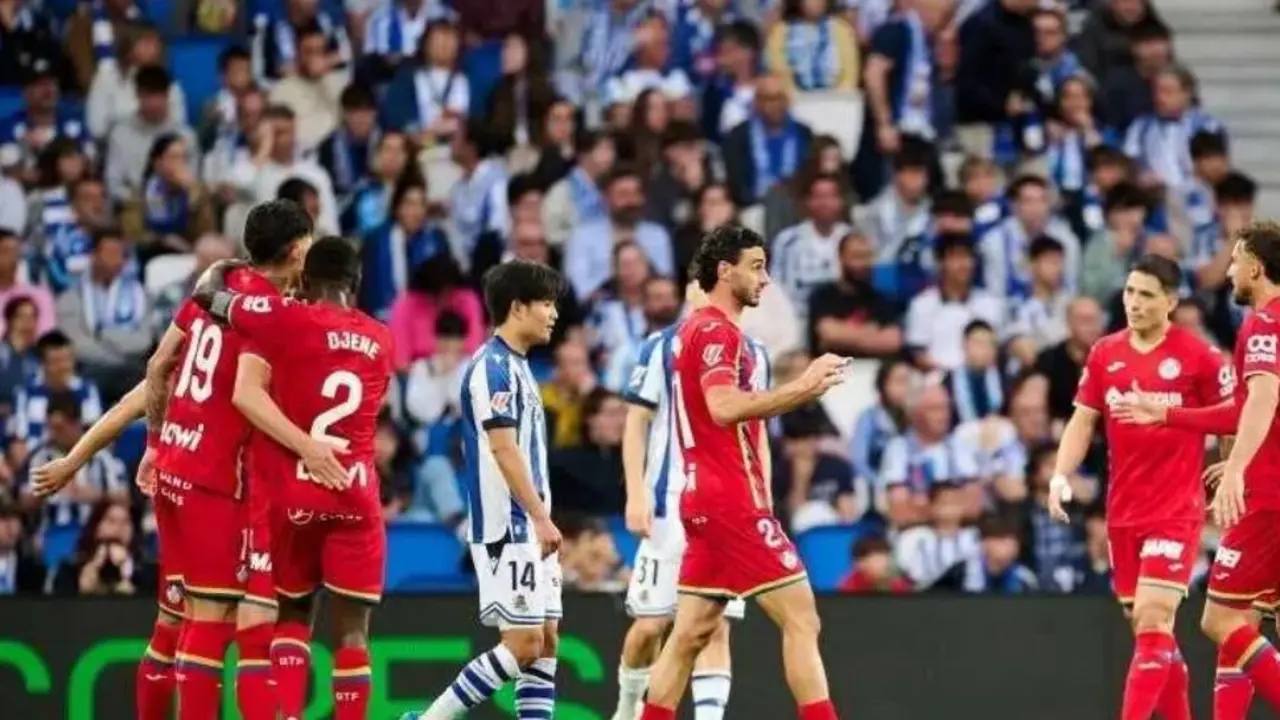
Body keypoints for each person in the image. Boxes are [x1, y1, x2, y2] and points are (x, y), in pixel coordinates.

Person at [638, 225, 846, 720]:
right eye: (756, 266)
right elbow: (725, 407)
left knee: (687, 636)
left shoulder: (693, 331)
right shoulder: (716, 331)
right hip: (730, 499)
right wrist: (806, 386)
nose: (766, 279)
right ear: (723, 270)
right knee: (802, 619)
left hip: (702, 498)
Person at [191, 236, 394, 720]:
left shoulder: (283, 318)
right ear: (356, 284)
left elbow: (208, 296)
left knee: (294, 615)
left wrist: (228, 266)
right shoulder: (383, 338)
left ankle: (287, 715)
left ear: (305, 280)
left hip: (294, 493)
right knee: (352, 631)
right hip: (353, 491)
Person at [141, 199, 328, 720]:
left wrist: (155, 443)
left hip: (174, 465)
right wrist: (308, 446)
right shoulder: (266, 312)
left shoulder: (213, 292)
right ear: (295, 250)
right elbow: (250, 396)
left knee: (177, 620)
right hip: (214, 479)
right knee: (213, 616)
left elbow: (158, 366)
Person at [1051, 254, 1230, 720]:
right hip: (1123, 512)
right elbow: (1083, 419)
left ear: (1170, 301)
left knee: (1153, 618)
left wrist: (1233, 471)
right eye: (1130, 291)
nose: (1134, 302)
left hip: (1176, 509)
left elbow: (1231, 418)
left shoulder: (1199, 357)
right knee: (1153, 634)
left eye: (1146, 294)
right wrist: (1059, 475)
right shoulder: (1105, 353)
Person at [1116, 222, 1280, 720]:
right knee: (1247, 617)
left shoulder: (1264, 324)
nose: (1228, 270)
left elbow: (1264, 397)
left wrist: (1238, 471)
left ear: (1255, 266)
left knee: (1221, 617)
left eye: (1235, 260)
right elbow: (1244, 411)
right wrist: (1166, 413)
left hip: (1269, 496)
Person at [403, 260, 566, 720]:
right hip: (508, 526)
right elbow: (503, 449)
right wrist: (539, 516)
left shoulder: (519, 367)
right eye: (546, 303)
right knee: (522, 644)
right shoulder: (491, 367)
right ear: (517, 307)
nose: (554, 313)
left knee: (547, 641)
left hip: (530, 527)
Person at [611, 275, 771, 720]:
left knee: (712, 625)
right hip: (668, 506)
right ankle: (626, 709)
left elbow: (756, 435)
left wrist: (763, 501)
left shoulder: (752, 353)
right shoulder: (662, 346)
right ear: (691, 291)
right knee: (649, 626)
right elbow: (636, 423)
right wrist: (637, 494)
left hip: (727, 507)